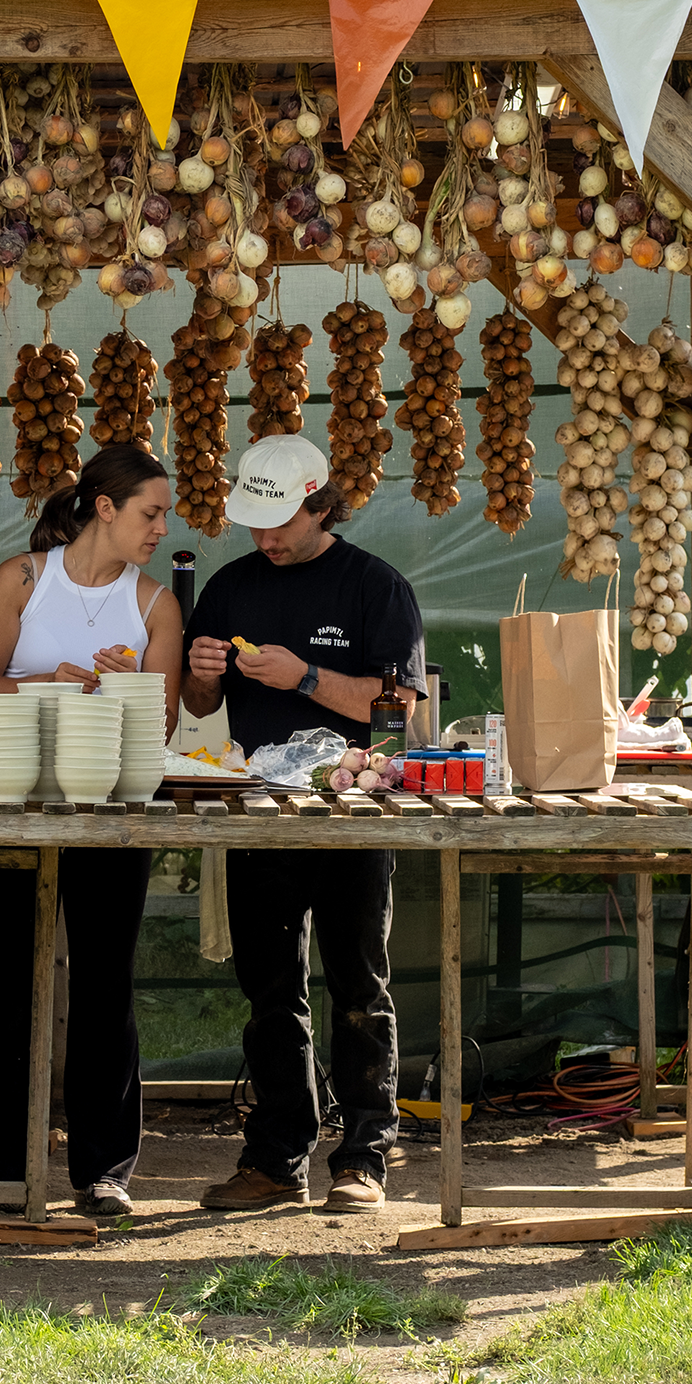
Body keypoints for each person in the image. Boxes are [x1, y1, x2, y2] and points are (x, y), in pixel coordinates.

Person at [181, 432, 424, 1215]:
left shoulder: (375, 587)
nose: (265, 538)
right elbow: (198, 710)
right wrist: (200, 675)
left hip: (353, 807)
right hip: (259, 806)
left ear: (321, 503)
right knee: (269, 987)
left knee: (359, 980)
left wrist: (306, 676)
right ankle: (277, 1154)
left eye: (279, 521)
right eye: (253, 522)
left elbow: (398, 711)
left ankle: (365, 1155)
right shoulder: (229, 586)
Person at [0, 444, 183, 1217]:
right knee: (12, 983)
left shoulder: (154, 604)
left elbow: (164, 721)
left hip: (114, 812)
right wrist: (42, 683)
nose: (162, 527)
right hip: (15, 804)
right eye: (150, 513)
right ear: (105, 508)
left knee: (104, 982)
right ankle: (0, 1170)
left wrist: (134, 689)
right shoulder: (22, 578)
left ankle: (104, 1171)